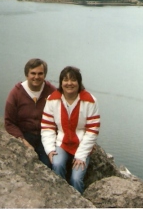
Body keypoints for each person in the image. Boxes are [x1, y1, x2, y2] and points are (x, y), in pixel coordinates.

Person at [41, 66, 100, 194]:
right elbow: (47, 127)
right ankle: (60, 198)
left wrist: (81, 155)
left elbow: (92, 130)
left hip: (81, 144)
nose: (69, 83)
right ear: (61, 83)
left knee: (76, 178)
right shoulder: (53, 99)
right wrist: (50, 149)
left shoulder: (89, 101)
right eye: (65, 80)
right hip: (61, 142)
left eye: (73, 80)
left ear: (79, 83)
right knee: (56, 165)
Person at [4, 58, 56, 168]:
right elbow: (9, 122)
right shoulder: (16, 93)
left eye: (40, 73)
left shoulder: (52, 92)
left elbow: (64, 115)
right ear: (26, 74)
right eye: (33, 73)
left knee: (48, 165)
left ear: (45, 75)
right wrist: (23, 141)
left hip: (46, 137)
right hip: (24, 135)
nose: (36, 77)